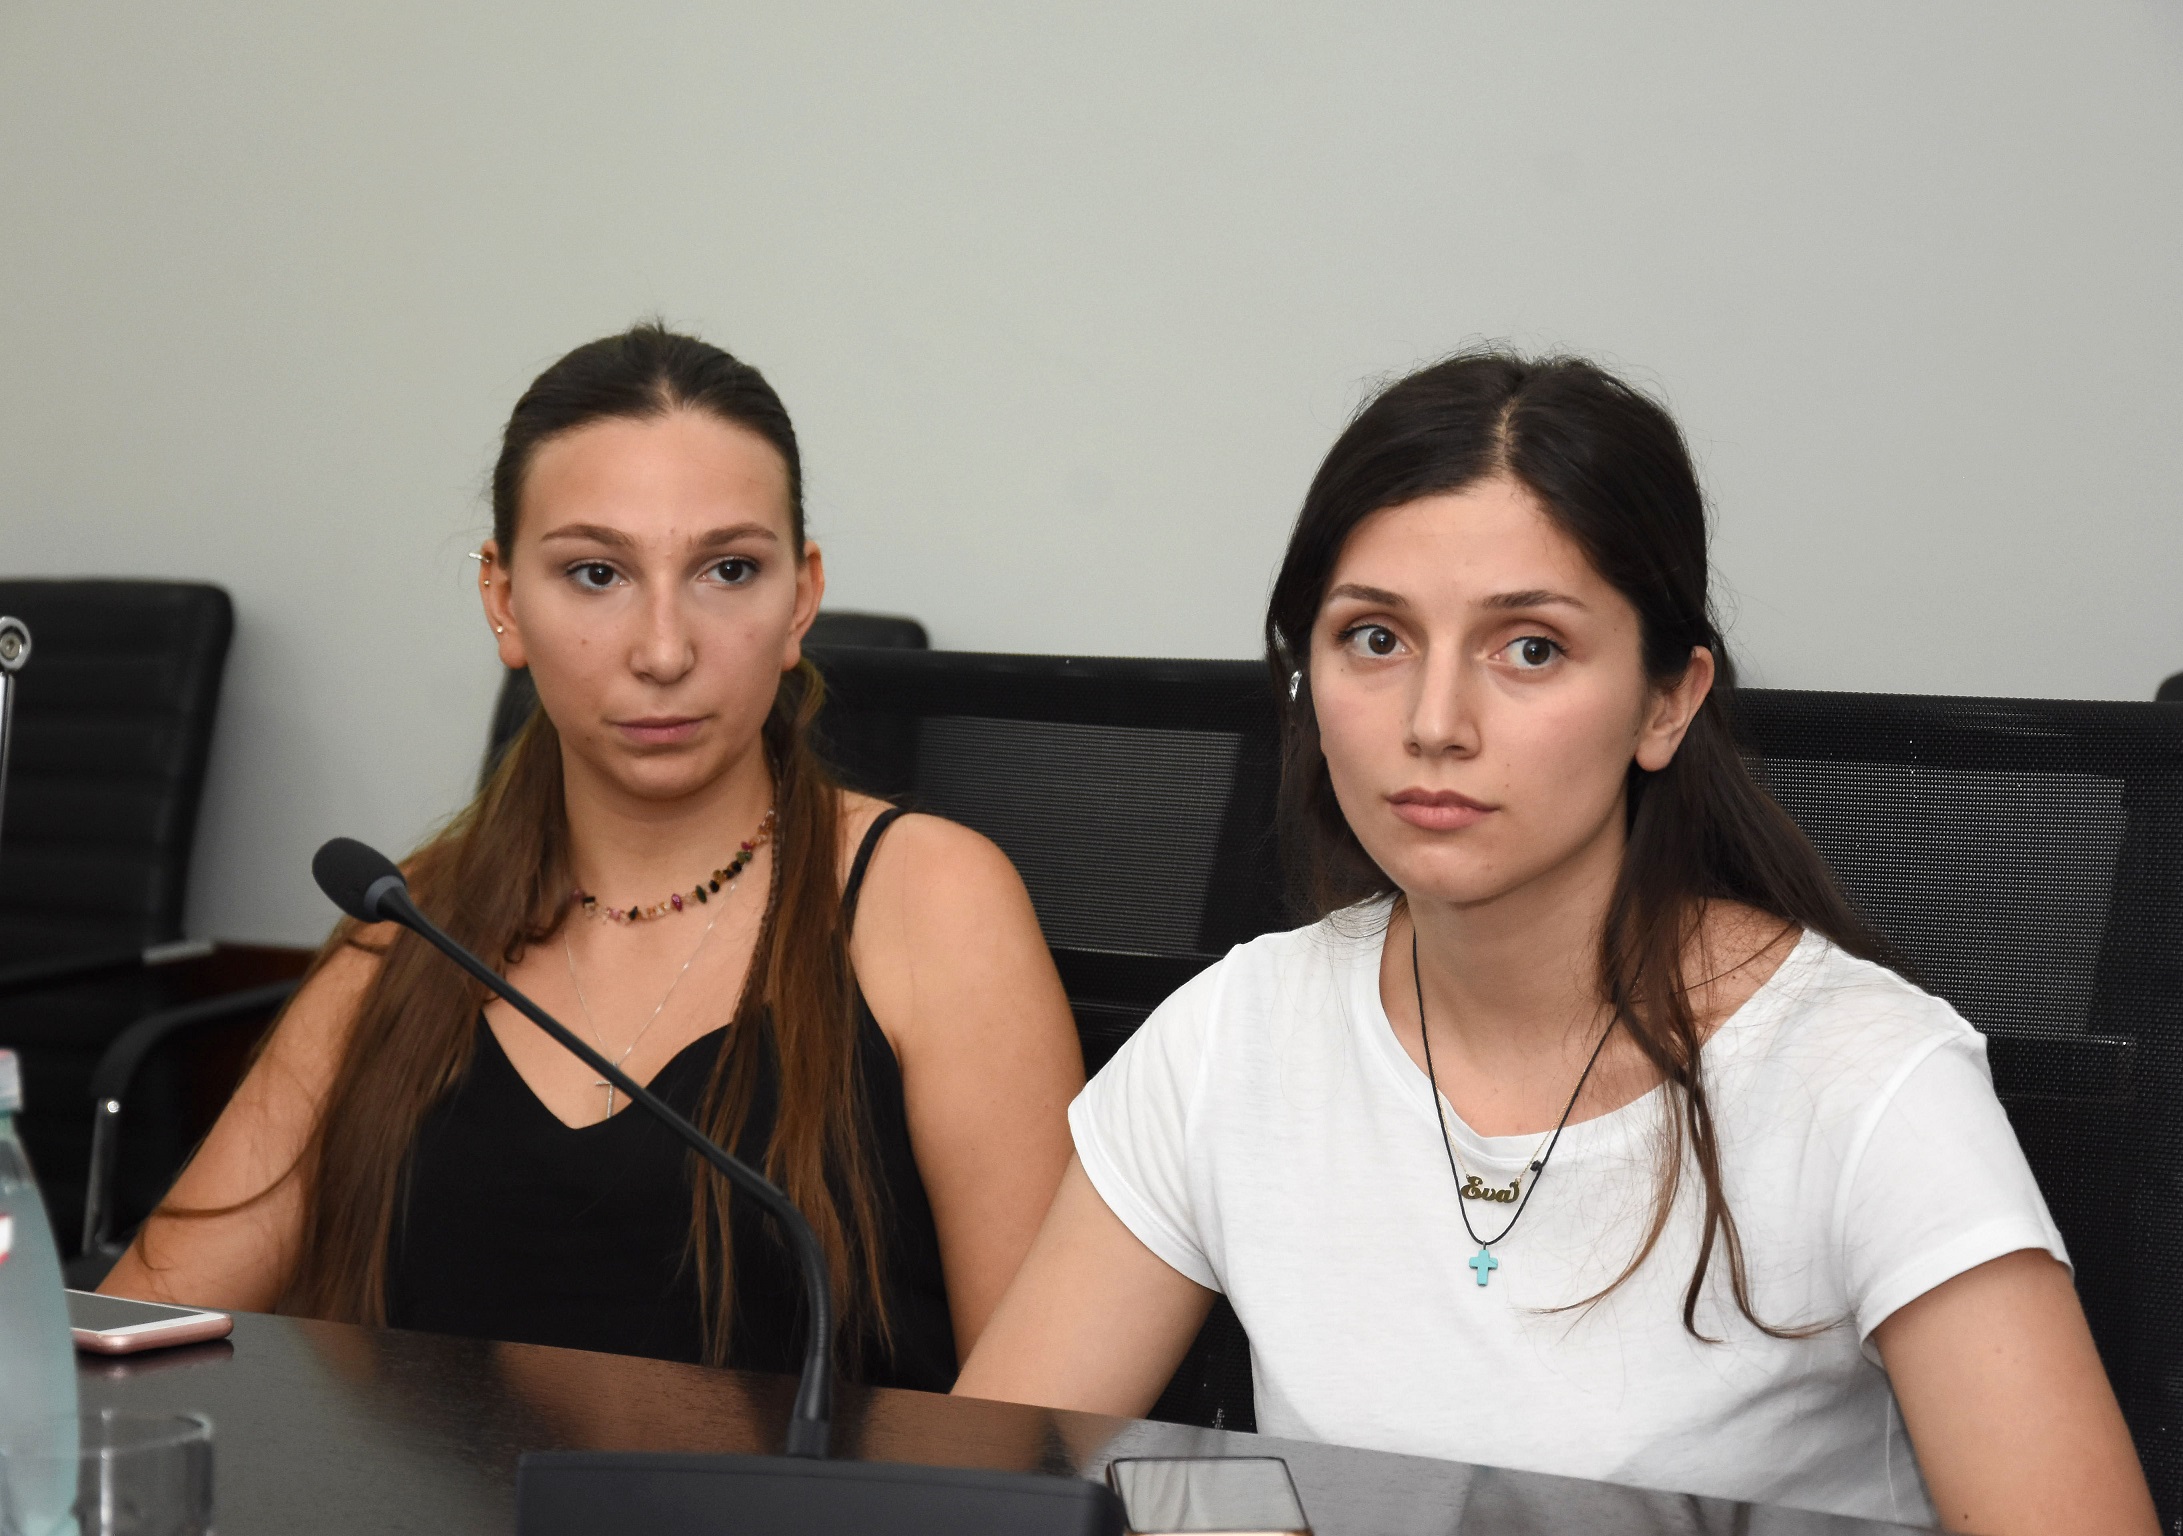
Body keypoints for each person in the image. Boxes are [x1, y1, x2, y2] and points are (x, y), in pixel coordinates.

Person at [955, 352, 2156, 1533]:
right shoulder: (1233, 1036)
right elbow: (979, 1496)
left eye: (1528, 648)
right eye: (1373, 638)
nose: (1433, 723)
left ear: (1665, 702)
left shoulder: (1864, 1081)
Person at [105, 324, 1084, 1391]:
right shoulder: (410, 918)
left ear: (800, 599)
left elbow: (1037, 1422)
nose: (663, 650)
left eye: (728, 569)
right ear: (502, 602)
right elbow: (131, 1334)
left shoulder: (932, 899)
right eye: (595, 573)